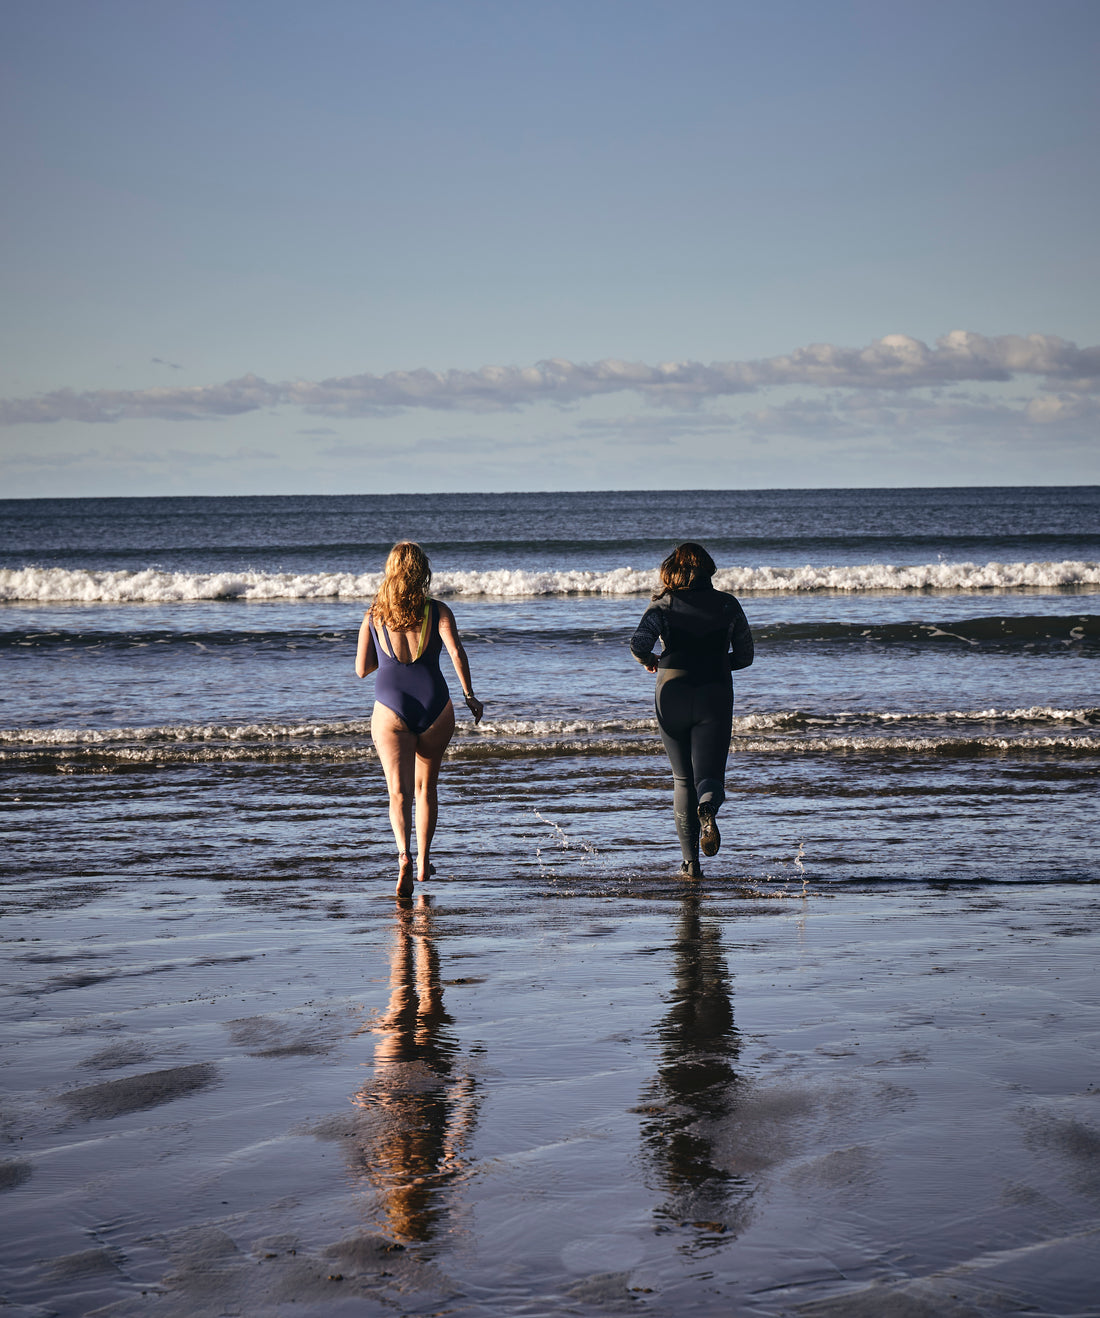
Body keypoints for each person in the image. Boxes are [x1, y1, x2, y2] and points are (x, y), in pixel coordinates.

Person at [356, 542, 484, 897]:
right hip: (435, 705)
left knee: (398, 792)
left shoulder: (374, 614)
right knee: (426, 788)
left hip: (390, 707)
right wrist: (470, 695)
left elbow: (362, 669)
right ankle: (425, 861)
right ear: (422, 570)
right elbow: (456, 651)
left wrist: (388, 660)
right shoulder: (438, 610)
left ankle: (404, 857)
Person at [630, 542, 753, 878]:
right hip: (714, 691)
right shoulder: (728, 604)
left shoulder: (663, 604)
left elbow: (638, 645)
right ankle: (708, 807)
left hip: (672, 693)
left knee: (682, 779)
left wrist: (651, 660)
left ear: (674, 569)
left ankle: (690, 864)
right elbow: (745, 656)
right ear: (708, 570)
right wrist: (714, 664)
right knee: (709, 778)